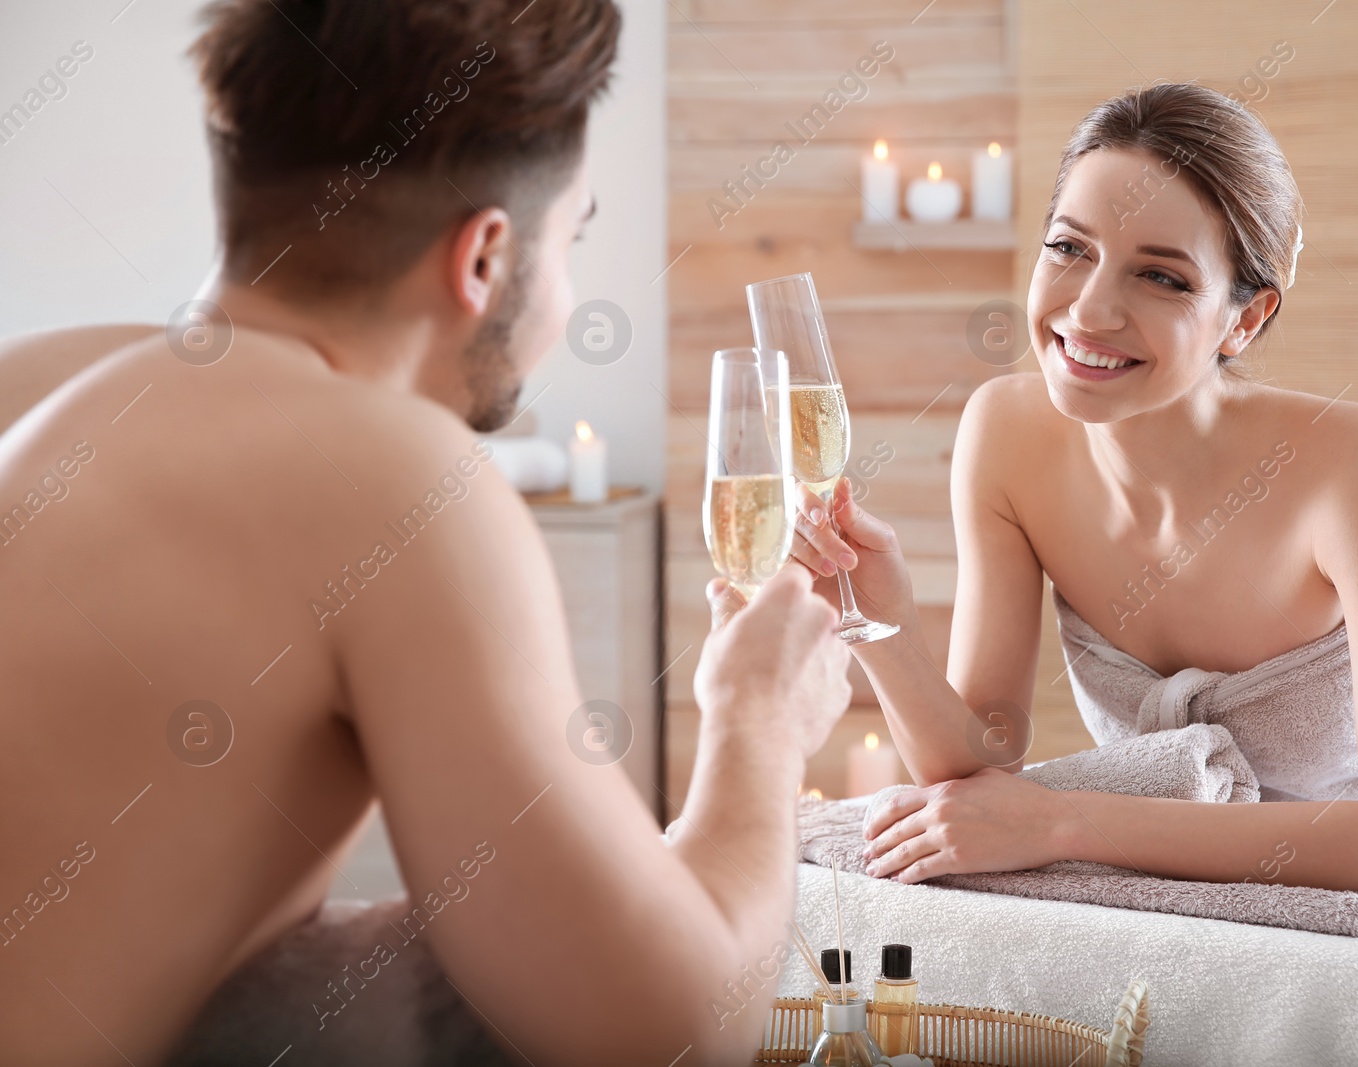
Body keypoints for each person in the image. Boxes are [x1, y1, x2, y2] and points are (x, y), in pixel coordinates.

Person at [0, 1, 852, 1064]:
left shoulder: (35, 382)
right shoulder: (395, 476)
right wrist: (758, 719)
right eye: (572, 236)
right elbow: (663, 1034)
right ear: (487, 257)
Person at [793, 82, 1358, 896]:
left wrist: (1062, 820)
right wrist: (881, 622)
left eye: (1161, 277)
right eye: (1069, 248)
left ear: (1245, 319)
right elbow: (981, 766)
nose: (1089, 311)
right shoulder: (1007, 434)